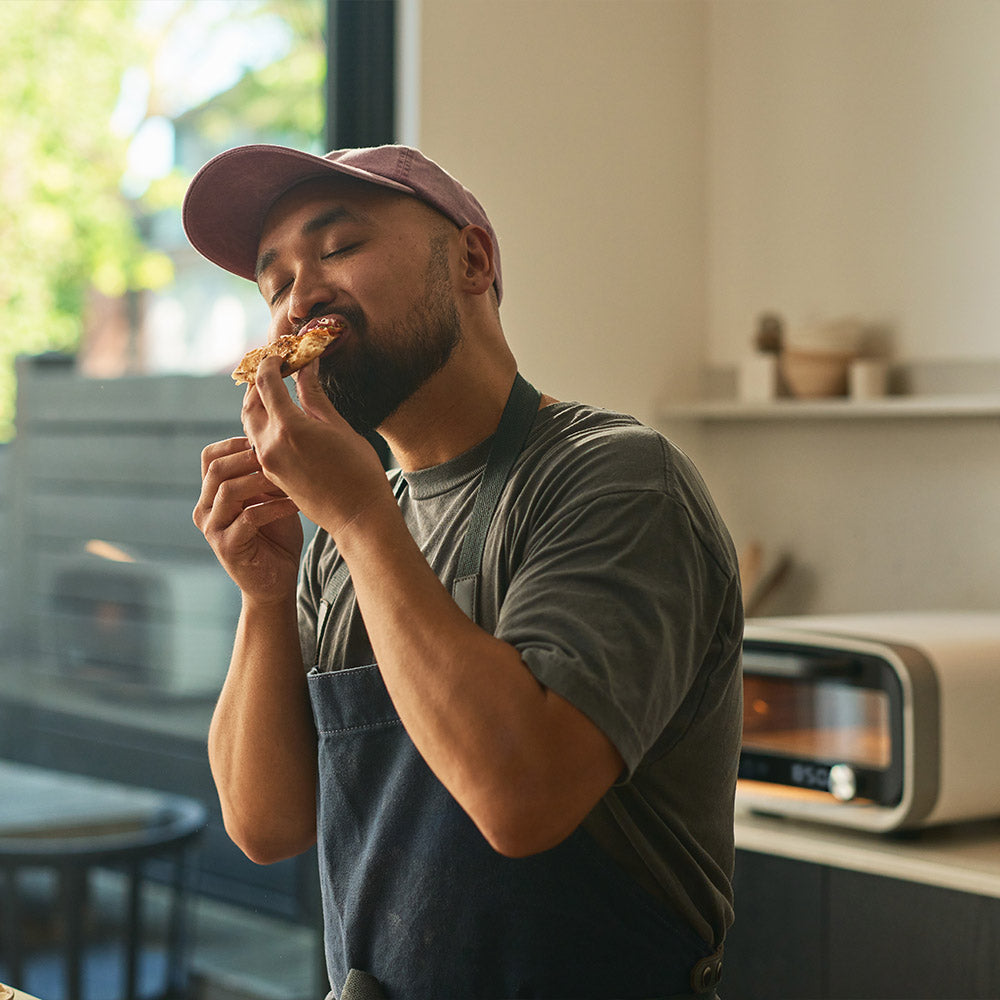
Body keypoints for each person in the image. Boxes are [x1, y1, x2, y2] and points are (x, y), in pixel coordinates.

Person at [185, 143, 743, 1000]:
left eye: (338, 248)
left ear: (473, 259)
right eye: (275, 283)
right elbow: (266, 824)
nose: (302, 299)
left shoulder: (615, 478)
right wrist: (264, 594)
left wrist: (361, 518)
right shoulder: (343, 530)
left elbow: (522, 797)